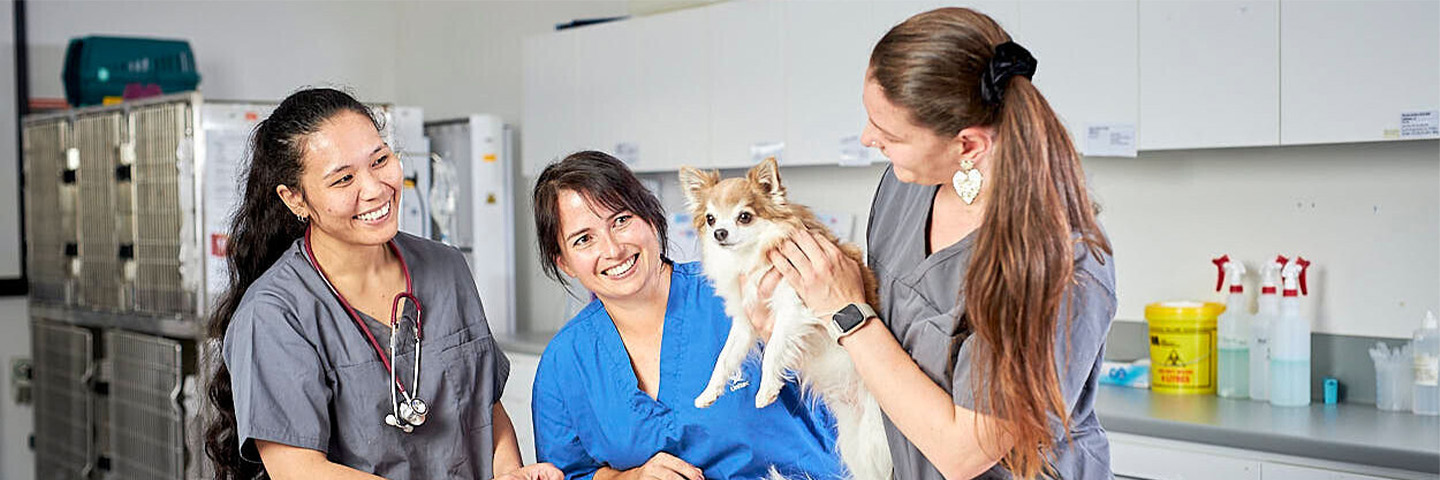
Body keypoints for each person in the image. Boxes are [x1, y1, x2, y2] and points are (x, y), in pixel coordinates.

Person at [754, 8, 1117, 480]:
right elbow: (880, 360)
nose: (868, 139)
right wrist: (795, 324)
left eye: (890, 134)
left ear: (967, 147)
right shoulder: (906, 187)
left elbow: (963, 453)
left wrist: (842, 310)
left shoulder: (1062, 264)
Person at [202, 88, 561, 480]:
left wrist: (509, 472)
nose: (374, 188)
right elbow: (299, 470)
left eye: (380, 160)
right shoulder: (274, 313)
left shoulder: (446, 268)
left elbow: (486, 408)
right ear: (295, 200)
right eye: (343, 179)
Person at [528, 151, 846, 480]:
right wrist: (630, 477)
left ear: (651, 217)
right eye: (584, 239)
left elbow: (851, 384)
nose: (612, 250)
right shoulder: (565, 361)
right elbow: (566, 474)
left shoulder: (750, 289)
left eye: (621, 220)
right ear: (563, 262)